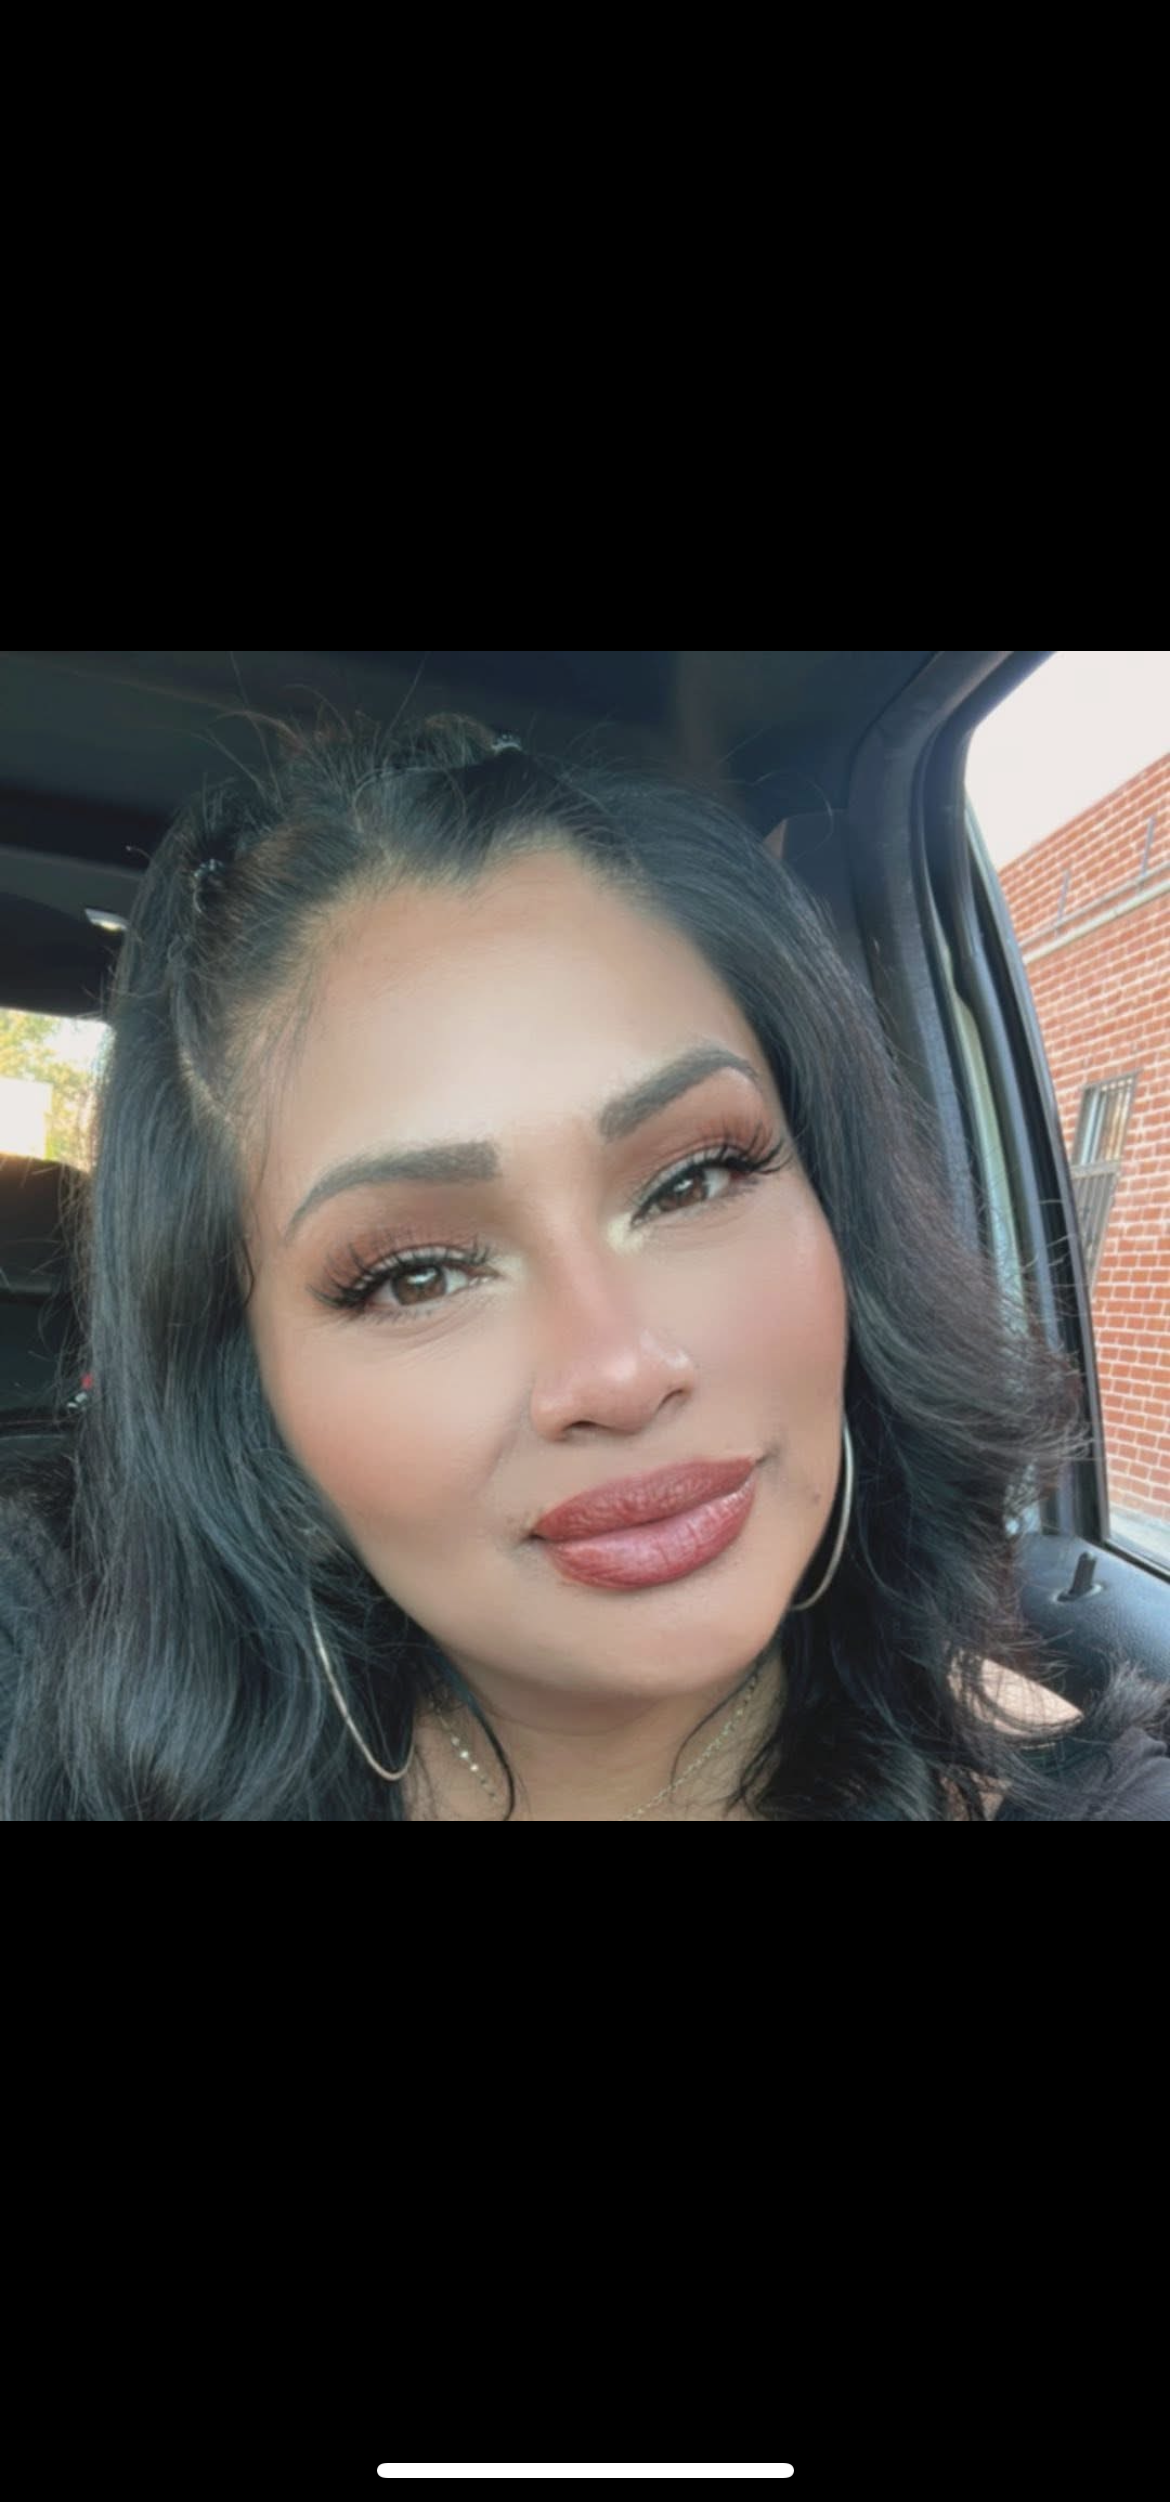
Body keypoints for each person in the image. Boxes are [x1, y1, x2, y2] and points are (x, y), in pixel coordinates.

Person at [2, 706, 1169, 1821]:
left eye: (695, 1178)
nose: (621, 1370)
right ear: (246, 1396)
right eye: (417, 1275)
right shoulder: (55, 1701)